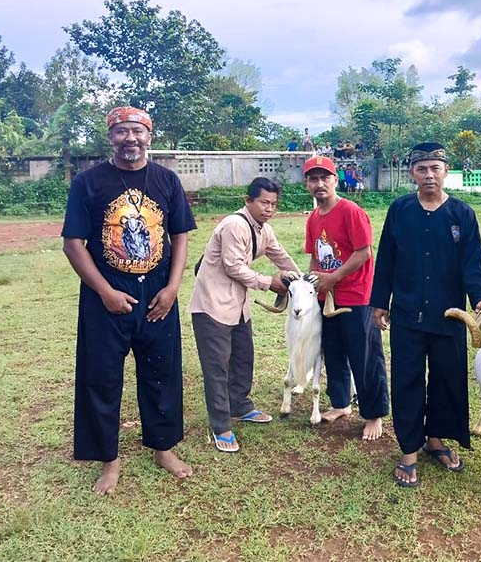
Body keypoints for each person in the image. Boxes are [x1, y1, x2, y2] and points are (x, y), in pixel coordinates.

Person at [62, 106, 195, 495]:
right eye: (122, 131)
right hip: (105, 298)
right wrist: (105, 291)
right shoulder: (88, 182)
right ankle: (109, 460)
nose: (130, 138)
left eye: (137, 131)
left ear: (149, 136)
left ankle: (163, 448)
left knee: (161, 373)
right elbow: (73, 244)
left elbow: (180, 235)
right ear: (110, 137)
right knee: (100, 377)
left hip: (158, 295)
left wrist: (172, 288)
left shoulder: (167, 180)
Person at [371, 142, 481, 488]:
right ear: (412, 173)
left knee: (446, 377)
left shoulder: (462, 214)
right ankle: (409, 450)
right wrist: (380, 302)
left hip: (448, 313)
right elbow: (387, 258)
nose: (428, 175)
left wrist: (480, 302)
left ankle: (435, 439)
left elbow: (473, 263)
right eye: (421, 169)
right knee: (406, 379)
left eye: (434, 168)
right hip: (407, 313)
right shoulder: (400, 210)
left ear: (445, 171)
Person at [187, 178, 300, 452]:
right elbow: (233, 267)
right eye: (264, 202)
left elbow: (281, 257)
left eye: (273, 204)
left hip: (237, 306)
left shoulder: (264, 230)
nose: (269, 209)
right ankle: (221, 426)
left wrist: (302, 282)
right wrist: (269, 282)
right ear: (248, 200)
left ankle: (239, 406)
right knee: (217, 368)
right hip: (212, 306)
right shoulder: (234, 225)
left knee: (243, 358)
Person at [302, 156, 389, 440]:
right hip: (326, 297)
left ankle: (373, 414)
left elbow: (364, 252)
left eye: (324, 177)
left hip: (356, 296)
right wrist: (312, 285)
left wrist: (335, 277)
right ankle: (341, 403)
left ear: (335, 180)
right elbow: (315, 256)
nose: (319, 184)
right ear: (307, 184)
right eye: (313, 179)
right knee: (333, 351)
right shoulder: (314, 217)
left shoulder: (351, 211)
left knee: (364, 355)